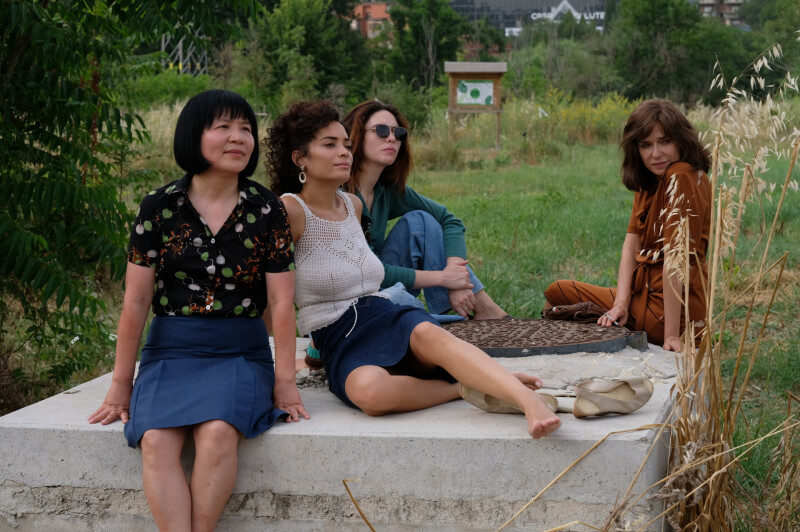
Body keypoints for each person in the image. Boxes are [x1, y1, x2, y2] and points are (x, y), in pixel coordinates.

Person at [265, 100, 560, 439]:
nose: (344, 152)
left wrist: (451, 271)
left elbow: (445, 221)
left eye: (346, 144)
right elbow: (276, 300)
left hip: (381, 312)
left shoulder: (352, 205)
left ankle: (525, 398)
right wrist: (282, 380)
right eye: (330, 145)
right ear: (300, 158)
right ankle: (463, 388)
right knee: (370, 394)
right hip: (339, 337)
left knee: (427, 333)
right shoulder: (290, 210)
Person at [88, 89, 308, 531]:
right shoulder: (159, 207)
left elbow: (282, 302)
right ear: (193, 135)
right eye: (223, 127)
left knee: (218, 432)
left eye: (245, 128)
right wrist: (120, 385)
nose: (238, 137)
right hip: (170, 353)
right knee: (155, 440)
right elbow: (136, 300)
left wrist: (285, 383)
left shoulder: (268, 208)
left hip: (240, 354)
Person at [543, 99, 711, 351]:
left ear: (681, 140)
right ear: (636, 149)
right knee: (558, 293)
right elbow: (631, 244)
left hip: (670, 312)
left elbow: (675, 260)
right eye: (646, 145)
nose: (656, 153)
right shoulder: (650, 180)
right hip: (642, 298)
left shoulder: (681, 176)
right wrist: (620, 303)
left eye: (664, 141)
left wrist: (672, 336)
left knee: (560, 302)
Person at [341, 100, 509, 320]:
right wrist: (444, 278)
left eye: (398, 133)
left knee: (420, 221)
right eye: (381, 131)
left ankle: (482, 308)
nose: (391, 138)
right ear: (356, 135)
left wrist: (455, 272)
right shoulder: (339, 193)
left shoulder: (387, 190)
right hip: (349, 304)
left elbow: (449, 220)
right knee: (408, 307)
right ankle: (458, 316)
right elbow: (370, 270)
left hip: (379, 289)